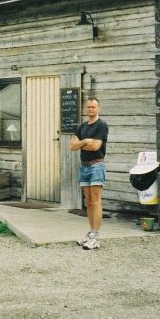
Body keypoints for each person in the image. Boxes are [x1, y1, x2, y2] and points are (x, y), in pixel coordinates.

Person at [70, 97, 109, 250]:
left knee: (96, 200)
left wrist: (83, 143)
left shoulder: (102, 125)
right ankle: (91, 233)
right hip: (84, 167)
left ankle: (95, 236)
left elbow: (96, 147)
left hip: (96, 166)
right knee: (89, 203)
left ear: (99, 108)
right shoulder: (82, 127)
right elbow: (72, 146)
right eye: (88, 107)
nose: (90, 109)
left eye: (93, 107)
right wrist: (86, 141)